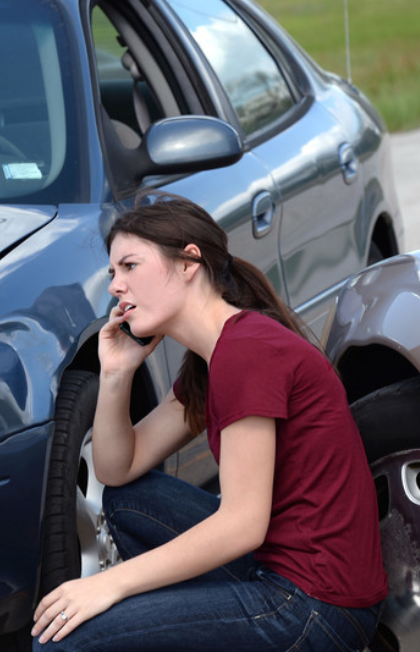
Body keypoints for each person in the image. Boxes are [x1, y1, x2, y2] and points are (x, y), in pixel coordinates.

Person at [31, 194, 388, 651]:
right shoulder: (214, 357)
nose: (116, 286)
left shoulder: (246, 352)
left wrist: (112, 583)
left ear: (188, 263)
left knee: (64, 640)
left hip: (314, 604)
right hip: (277, 566)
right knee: (127, 500)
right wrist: (117, 373)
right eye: (112, 274)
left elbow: (242, 524)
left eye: (130, 266)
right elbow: (117, 470)